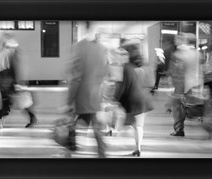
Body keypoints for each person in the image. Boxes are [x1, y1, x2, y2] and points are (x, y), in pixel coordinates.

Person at [64, 21, 108, 158]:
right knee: (96, 130)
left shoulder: (78, 47)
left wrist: (69, 100)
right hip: (96, 97)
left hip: (82, 97)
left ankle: (69, 152)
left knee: (73, 126)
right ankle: (103, 155)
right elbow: (104, 74)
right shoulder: (102, 49)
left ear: (84, 27)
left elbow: (76, 78)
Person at [115, 42, 154, 157]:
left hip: (132, 99)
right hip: (144, 98)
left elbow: (123, 86)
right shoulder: (146, 66)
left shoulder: (127, 67)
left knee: (133, 124)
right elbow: (151, 83)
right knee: (139, 126)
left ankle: (136, 147)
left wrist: (116, 99)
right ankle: (138, 148)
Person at [0, 40, 37, 129]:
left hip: (4, 83)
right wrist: (19, 83)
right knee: (19, 102)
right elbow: (16, 70)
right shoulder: (12, 56)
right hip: (10, 82)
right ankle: (32, 118)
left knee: (9, 104)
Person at [169, 33, 201, 137]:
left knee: (178, 108)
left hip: (182, 85)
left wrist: (173, 82)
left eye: (176, 40)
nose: (175, 42)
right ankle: (196, 118)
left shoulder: (178, 54)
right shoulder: (197, 53)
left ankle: (179, 130)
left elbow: (177, 71)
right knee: (191, 105)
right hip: (195, 83)